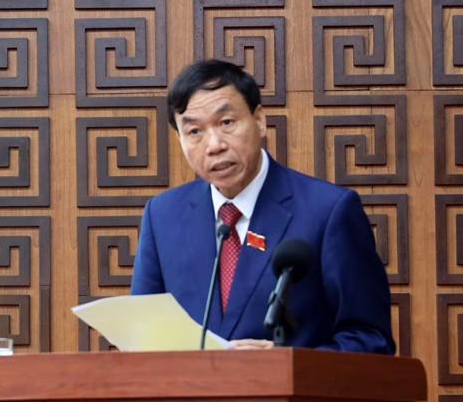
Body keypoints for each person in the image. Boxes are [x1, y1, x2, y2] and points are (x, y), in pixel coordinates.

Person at [129, 59, 395, 354]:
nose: (214, 145)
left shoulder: (328, 211)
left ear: (259, 120)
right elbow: (142, 338)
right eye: (194, 132)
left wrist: (286, 363)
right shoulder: (162, 215)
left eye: (226, 123)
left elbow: (371, 339)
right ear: (179, 139)